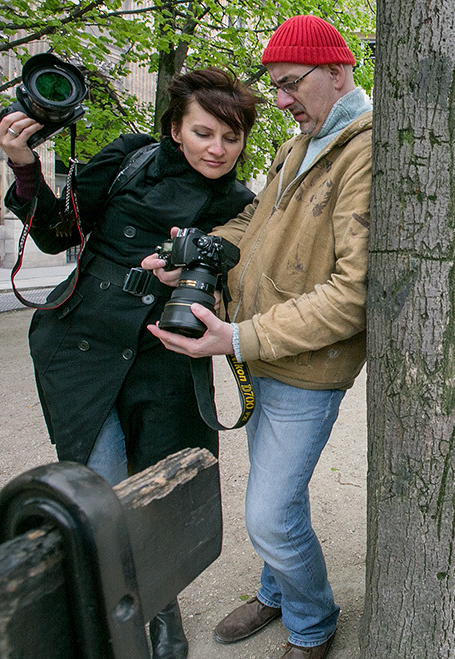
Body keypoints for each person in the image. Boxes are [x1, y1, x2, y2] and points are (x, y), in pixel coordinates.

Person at [0, 67, 259, 659]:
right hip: (80, 348)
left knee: (156, 496)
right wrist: (23, 164)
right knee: (106, 490)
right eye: (204, 133)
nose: (218, 149)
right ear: (176, 129)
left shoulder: (239, 204)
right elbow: (59, 235)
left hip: (164, 361)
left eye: (231, 138)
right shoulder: (131, 159)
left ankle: (156, 607)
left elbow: (240, 283)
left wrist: (205, 278)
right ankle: (140, 619)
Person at [141, 15, 370, 659]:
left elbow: (353, 297)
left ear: (338, 71)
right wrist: (200, 256)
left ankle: (312, 622)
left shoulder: (367, 148)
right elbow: (255, 218)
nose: (281, 100)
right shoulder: (308, 139)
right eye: (275, 85)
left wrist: (236, 339)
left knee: (269, 512)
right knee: (273, 495)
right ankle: (277, 591)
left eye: (290, 84)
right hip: (262, 347)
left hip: (301, 364)